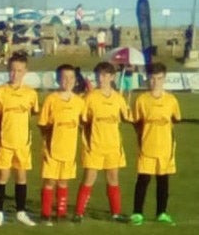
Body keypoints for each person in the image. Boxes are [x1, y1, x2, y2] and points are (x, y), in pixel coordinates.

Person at [76, 62, 130, 222]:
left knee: (113, 179)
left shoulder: (118, 99)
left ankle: (116, 213)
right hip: (94, 146)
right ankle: (78, 213)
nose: (102, 78)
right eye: (99, 75)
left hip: (113, 146)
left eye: (106, 75)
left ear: (112, 77)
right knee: (88, 179)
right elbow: (82, 120)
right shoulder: (91, 97)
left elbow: (126, 117)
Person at [0, 53, 39, 227]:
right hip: (4, 141)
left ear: (25, 71)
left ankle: (21, 212)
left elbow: (33, 113)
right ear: (7, 70)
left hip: (23, 143)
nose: (15, 74)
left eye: (19, 70)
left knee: (21, 176)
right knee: (2, 175)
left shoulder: (31, 94)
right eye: (12, 70)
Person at [130, 63, 181, 226]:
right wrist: (143, 134)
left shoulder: (171, 100)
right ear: (147, 79)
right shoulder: (142, 100)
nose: (155, 82)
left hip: (165, 148)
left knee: (163, 180)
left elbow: (175, 119)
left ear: (164, 79)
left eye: (159, 79)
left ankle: (161, 213)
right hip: (147, 146)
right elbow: (136, 121)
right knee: (143, 180)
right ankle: (137, 213)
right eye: (152, 78)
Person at [38, 64, 85, 225]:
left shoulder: (79, 102)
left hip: (69, 149)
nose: (68, 81)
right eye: (64, 77)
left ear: (75, 80)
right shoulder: (51, 99)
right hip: (52, 148)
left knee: (64, 181)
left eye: (71, 77)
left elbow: (83, 122)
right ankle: (45, 213)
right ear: (58, 79)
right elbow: (43, 124)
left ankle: (61, 212)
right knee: (50, 181)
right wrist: (47, 140)